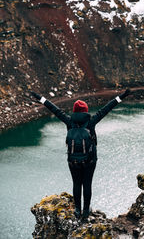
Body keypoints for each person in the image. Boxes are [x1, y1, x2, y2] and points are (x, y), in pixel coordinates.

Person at [31, 89, 131, 219]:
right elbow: (107, 108)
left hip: (73, 161)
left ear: (74, 111)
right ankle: (85, 211)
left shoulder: (69, 121)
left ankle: (77, 210)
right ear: (85, 111)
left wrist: (40, 98)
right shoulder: (91, 122)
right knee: (87, 184)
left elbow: (54, 109)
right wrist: (121, 96)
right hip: (90, 160)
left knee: (77, 184)